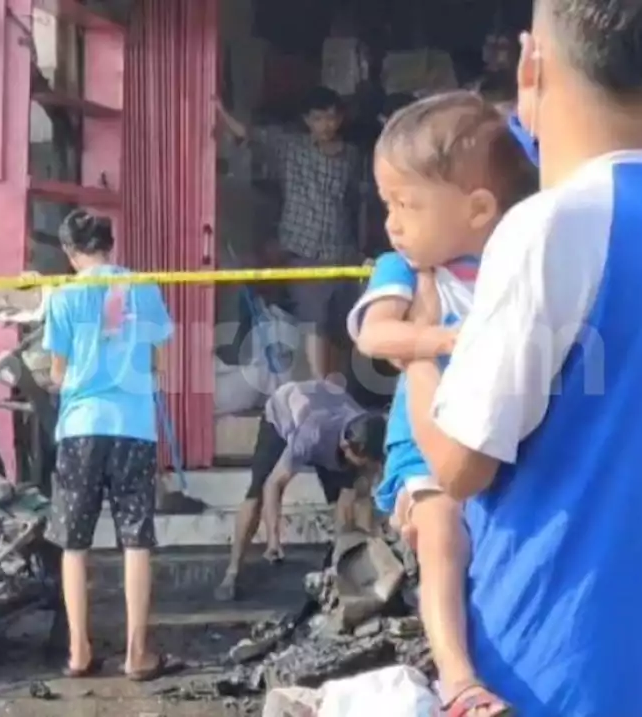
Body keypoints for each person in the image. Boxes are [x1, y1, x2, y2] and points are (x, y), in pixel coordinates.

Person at [397, 1, 642, 716]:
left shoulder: (549, 226)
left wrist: (416, 349)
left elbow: (459, 465)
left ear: (530, 63)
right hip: (623, 661)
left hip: (535, 661)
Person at [347, 94, 537, 717]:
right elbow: (375, 336)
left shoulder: (509, 265)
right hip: (422, 438)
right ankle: (458, 679)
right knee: (441, 534)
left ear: (479, 210)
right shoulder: (402, 267)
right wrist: (444, 339)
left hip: (492, 435)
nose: (393, 223)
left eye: (408, 205)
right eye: (388, 206)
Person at [42, 209, 179, 682]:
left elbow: (58, 375)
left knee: (73, 543)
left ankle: (79, 652)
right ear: (111, 244)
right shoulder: (141, 286)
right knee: (135, 538)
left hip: (80, 426)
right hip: (134, 424)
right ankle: (136, 655)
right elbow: (160, 356)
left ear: (69, 251)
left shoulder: (62, 297)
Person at [216, 87, 368, 380]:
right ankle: (321, 387)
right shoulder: (291, 149)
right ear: (306, 120)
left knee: (340, 327)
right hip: (303, 251)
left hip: (341, 254)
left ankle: (335, 388)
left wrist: (360, 248)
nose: (326, 125)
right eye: (318, 118)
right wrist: (220, 110)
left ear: (340, 119)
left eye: (331, 118)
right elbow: (249, 133)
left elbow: (356, 205)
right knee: (314, 323)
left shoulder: (352, 157)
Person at [215, 379, 386, 601]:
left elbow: (358, 498)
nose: (364, 468)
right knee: (256, 494)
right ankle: (233, 571)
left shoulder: (368, 427)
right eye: (362, 461)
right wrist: (274, 539)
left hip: (327, 405)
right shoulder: (311, 435)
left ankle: (342, 570)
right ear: (346, 447)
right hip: (282, 412)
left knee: (350, 495)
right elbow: (274, 485)